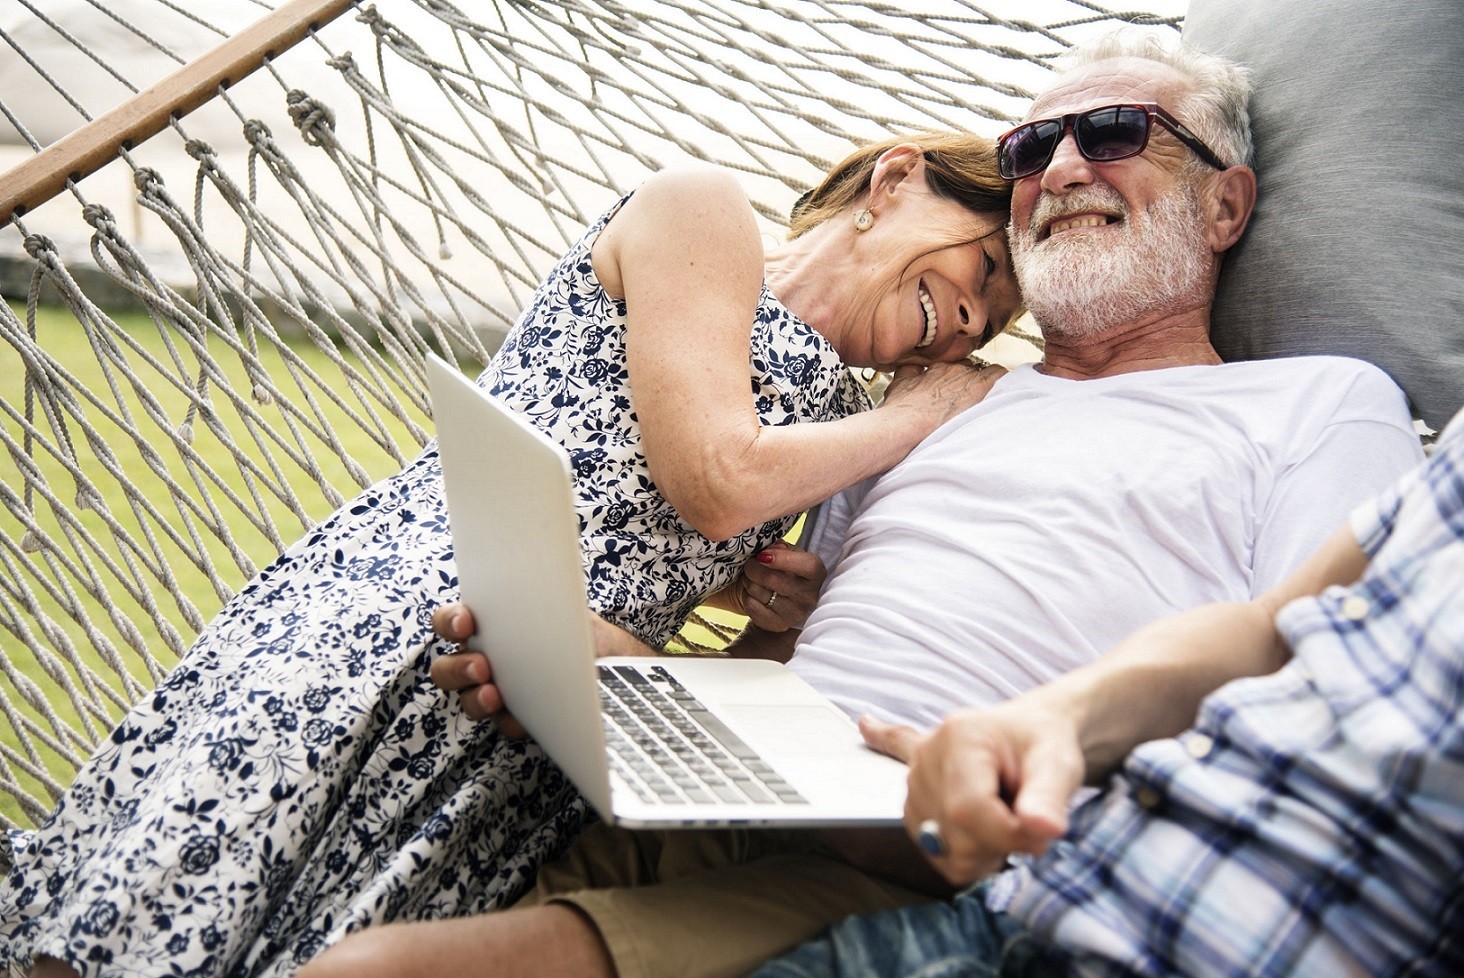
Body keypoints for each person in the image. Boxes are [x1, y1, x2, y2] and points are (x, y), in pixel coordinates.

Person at [297, 31, 1427, 978]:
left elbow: (1318, 671)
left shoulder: (1318, 404)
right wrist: (594, 666)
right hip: (724, 797)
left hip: (925, 854)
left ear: (1226, 206)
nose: (1064, 166)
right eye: (1033, 147)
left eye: (1117, 132)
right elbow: (784, 670)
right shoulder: (938, 405)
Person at [0, 132, 1024, 978]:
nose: (973, 320)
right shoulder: (701, 215)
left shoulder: (841, 432)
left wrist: (773, 624)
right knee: (155, 901)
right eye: (984, 269)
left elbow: (720, 673)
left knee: (331, 948)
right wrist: (926, 412)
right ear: (894, 179)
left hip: (528, 728)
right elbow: (716, 479)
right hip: (391, 608)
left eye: (992, 320)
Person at [749, 405, 1464, 978]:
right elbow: (1271, 633)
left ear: (1224, 214)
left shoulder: (1330, 401)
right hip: (1022, 914)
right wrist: (1054, 719)